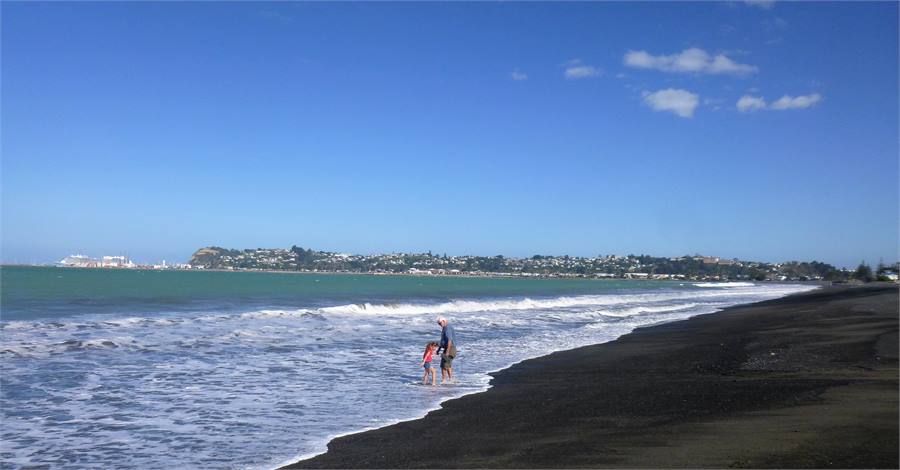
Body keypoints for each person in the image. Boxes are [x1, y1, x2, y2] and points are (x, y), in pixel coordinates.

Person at [436, 316, 457, 384]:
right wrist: (438, 350)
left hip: (450, 348)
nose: (439, 325)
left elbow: (449, 340)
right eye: (438, 324)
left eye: (440, 323)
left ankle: (444, 380)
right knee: (447, 365)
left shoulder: (447, 328)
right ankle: (450, 379)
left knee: (444, 365)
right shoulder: (445, 328)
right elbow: (443, 341)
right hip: (448, 348)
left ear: (444, 321)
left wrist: (447, 351)